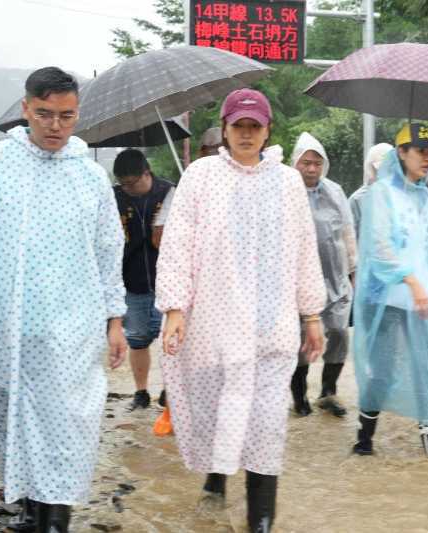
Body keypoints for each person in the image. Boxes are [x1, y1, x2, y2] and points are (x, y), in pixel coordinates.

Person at [155, 88, 326, 532]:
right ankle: (215, 482)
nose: (247, 134)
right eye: (239, 126)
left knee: (268, 426)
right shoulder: (200, 175)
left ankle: (261, 523)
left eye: (255, 126)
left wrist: (311, 314)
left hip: (272, 328)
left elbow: (305, 248)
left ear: (268, 130)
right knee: (220, 415)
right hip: (214, 322)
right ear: (226, 129)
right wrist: (174, 307)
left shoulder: (287, 181)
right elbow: (176, 244)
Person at [0, 67, 127, 533]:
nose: (56, 126)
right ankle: (31, 508)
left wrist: (115, 319)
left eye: (67, 116)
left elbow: (107, 251)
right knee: (7, 418)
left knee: (65, 425)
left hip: (69, 330)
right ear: (25, 110)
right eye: (44, 114)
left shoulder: (90, 177)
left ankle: (55, 519)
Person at [352, 123, 428, 457]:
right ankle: (364, 439)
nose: (427, 159)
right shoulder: (381, 194)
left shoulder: (427, 199)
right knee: (382, 372)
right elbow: (379, 250)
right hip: (388, 301)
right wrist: (411, 282)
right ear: (401, 153)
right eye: (420, 152)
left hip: (423, 302)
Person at [289, 132, 356, 417]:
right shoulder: (285, 191)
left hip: (336, 278)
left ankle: (328, 391)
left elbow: (347, 232)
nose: (312, 168)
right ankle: (299, 396)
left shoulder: (335, 191)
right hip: (299, 281)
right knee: (301, 340)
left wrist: (353, 270)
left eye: (317, 163)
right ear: (296, 163)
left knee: (340, 333)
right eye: (306, 162)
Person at [113, 149, 174, 410]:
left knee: (172, 341)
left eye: (132, 183)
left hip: (168, 283)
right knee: (137, 338)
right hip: (132, 282)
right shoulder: (114, 198)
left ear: (146, 173)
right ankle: (140, 392)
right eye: (123, 184)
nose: (128, 189)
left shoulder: (170, 193)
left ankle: (170, 390)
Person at [348, 142, 394, 240]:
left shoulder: (402, 196)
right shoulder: (357, 200)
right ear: (369, 167)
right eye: (380, 168)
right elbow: (350, 239)